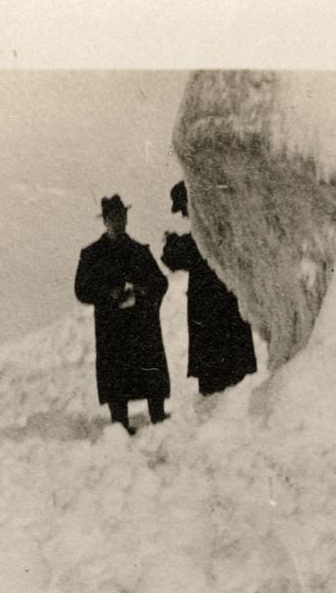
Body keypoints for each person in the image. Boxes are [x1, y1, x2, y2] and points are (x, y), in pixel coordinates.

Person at [74, 194, 171, 435]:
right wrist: (109, 293)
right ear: (105, 220)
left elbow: (160, 282)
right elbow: (81, 290)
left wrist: (141, 291)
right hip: (112, 327)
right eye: (114, 217)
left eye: (122, 216)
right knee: (116, 375)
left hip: (141, 324)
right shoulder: (92, 254)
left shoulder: (139, 251)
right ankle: (120, 424)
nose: (119, 221)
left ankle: (158, 416)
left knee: (149, 370)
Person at [161, 182, 258, 396]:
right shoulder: (220, 229)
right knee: (233, 387)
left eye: (185, 209)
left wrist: (170, 242)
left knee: (218, 387)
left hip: (211, 320)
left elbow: (173, 257)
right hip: (225, 318)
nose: (185, 215)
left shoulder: (203, 237)